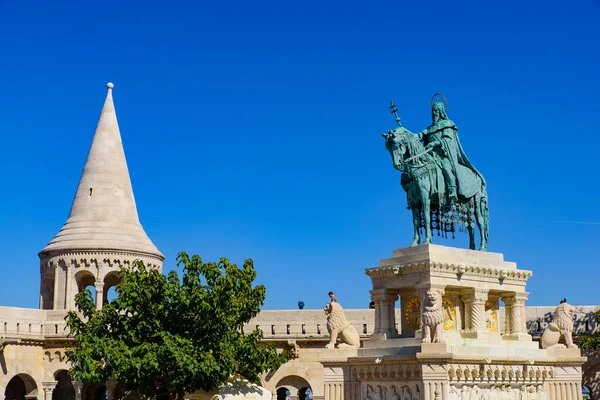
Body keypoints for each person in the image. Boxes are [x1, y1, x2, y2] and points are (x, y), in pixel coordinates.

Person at [417, 101, 485, 201]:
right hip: (431, 155)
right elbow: (419, 136)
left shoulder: (447, 124)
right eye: (432, 111)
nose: (433, 113)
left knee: (446, 167)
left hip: (443, 155)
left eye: (436, 111)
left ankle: (452, 189)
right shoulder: (429, 129)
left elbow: (447, 140)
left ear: (441, 111)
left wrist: (434, 143)